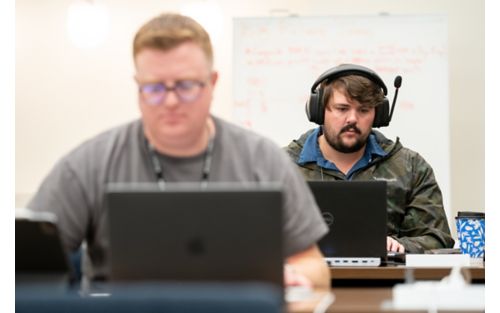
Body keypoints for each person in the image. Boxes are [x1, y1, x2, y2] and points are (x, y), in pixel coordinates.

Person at [27, 13, 329, 288]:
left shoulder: (263, 160)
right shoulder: (88, 165)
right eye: (155, 88)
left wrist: (297, 279)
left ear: (212, 83)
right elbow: (24, 268)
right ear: (138, 87)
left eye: (185, 85)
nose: (170, 101)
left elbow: (313, 266)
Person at [286, 63, 454, 253]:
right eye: (342, 109)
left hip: (387, 281)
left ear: (378, 115)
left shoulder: (410, 167)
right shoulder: (283, 166)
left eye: (364, 110)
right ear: (319, 111)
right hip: (306, 279)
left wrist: (400, 246)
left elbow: (438, 239)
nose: (352, 119)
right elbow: (261, 236)